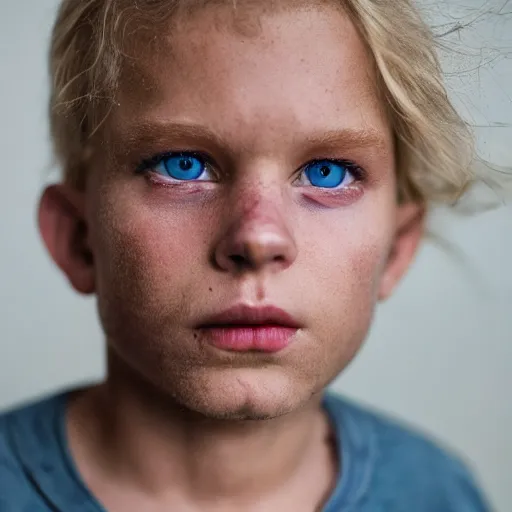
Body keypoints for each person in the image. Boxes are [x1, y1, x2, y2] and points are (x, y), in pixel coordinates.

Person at [0, 0, 498, 510]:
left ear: (396, 247)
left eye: (328, 172)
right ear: (80, 238)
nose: (258, 239)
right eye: (184, 165)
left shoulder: (438, 494)